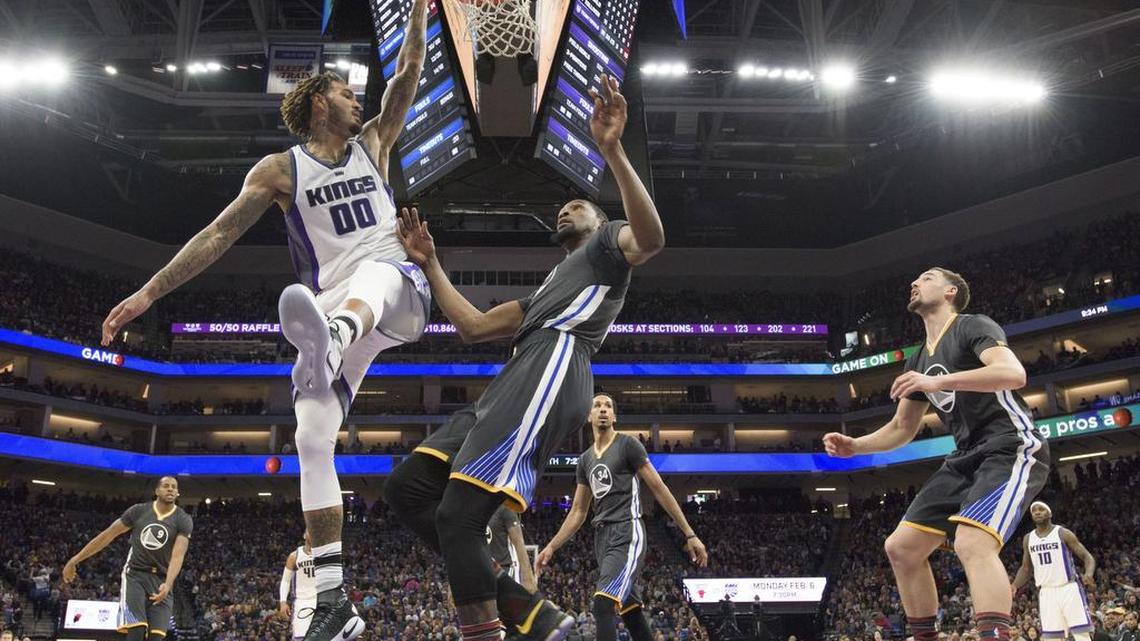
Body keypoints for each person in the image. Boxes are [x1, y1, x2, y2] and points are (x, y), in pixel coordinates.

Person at [96, 2, 431, 639]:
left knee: (372, 281)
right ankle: (333, 599)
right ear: (316, 104)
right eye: (342, 91)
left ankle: (329, 340)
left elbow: (410, 71)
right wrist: (148, 293)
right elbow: (218, 235)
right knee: (311, 435)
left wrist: (418, 15)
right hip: (333, 302)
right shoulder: (280, 170)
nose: (355, 99)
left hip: (397, 287)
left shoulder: (374, 145)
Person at [384, 73, 666, 641]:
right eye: (562, 208)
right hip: (508, 383)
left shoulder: (608, 243)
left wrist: (611, 150)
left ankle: (507, 628)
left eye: (576, 205)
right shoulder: (547, 286)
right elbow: (471, 327)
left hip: (553, 367)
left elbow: (652, 237)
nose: (566, 210)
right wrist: (430, 261)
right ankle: (531, 612)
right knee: (409, 489)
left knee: (457, 517)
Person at [823, 267, 1049, 641]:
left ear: (950, 292)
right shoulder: (917, 360)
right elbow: (902, 428)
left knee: (971, 541)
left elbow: (1013, 373)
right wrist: (856, 447)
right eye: (914, 279)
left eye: (927, 278)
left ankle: (995, 635)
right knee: (901, 547)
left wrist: (938, 382)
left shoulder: (972, 325)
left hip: (1010, 443)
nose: (914, 282)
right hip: (966, 454)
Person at [535, 393, 707, 641]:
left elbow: (659, 488)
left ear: (614, 416)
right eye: (597, 405)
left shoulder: (627, 445)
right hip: (601, 538)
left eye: (608, 406)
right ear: (589, 416)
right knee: (631, 612)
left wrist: (689, 533)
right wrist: (551, 546)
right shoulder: (584, 460)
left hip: (627, 530)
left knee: (602, 604)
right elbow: (578, 511)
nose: (603, 409)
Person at [62, 477, 193, 641]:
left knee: (156, 637)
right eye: (166, 486)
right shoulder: (138, 511)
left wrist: (168, 583)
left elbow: (178, 555)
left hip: (161, 579)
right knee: (136, 629)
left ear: (178, 492)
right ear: (157, 491)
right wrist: (75, 560)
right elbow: (108, 535)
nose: (170, 489)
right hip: (135, 576)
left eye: (174, 487)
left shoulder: (183, 519)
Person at [1011, 501, 1096, 641]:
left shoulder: (1062, 533)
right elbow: (1026, 568)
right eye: (1034, 510)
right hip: (1046, 592)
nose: (1037, 512)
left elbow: (1087, 557)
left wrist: (1088, 574)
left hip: (1068, 588)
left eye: (1041, 509)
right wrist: (1014, 585)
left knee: (1081, 634)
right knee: (1052, 638)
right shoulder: (1028, 538)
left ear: (1049, 513)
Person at [487, 506, 536, 593]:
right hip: (479, 570)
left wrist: (527, 577)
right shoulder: (471, 508)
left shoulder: (504, 507)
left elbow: (519, 542)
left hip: (502, 569)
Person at [280, 531, 317, 641]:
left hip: (322, 601)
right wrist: (283, 602)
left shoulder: (324, 555)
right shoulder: (294, 556)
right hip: (302, 602)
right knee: (300, 638)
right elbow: (285, 581)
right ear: (304, 535)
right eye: (309, 530)